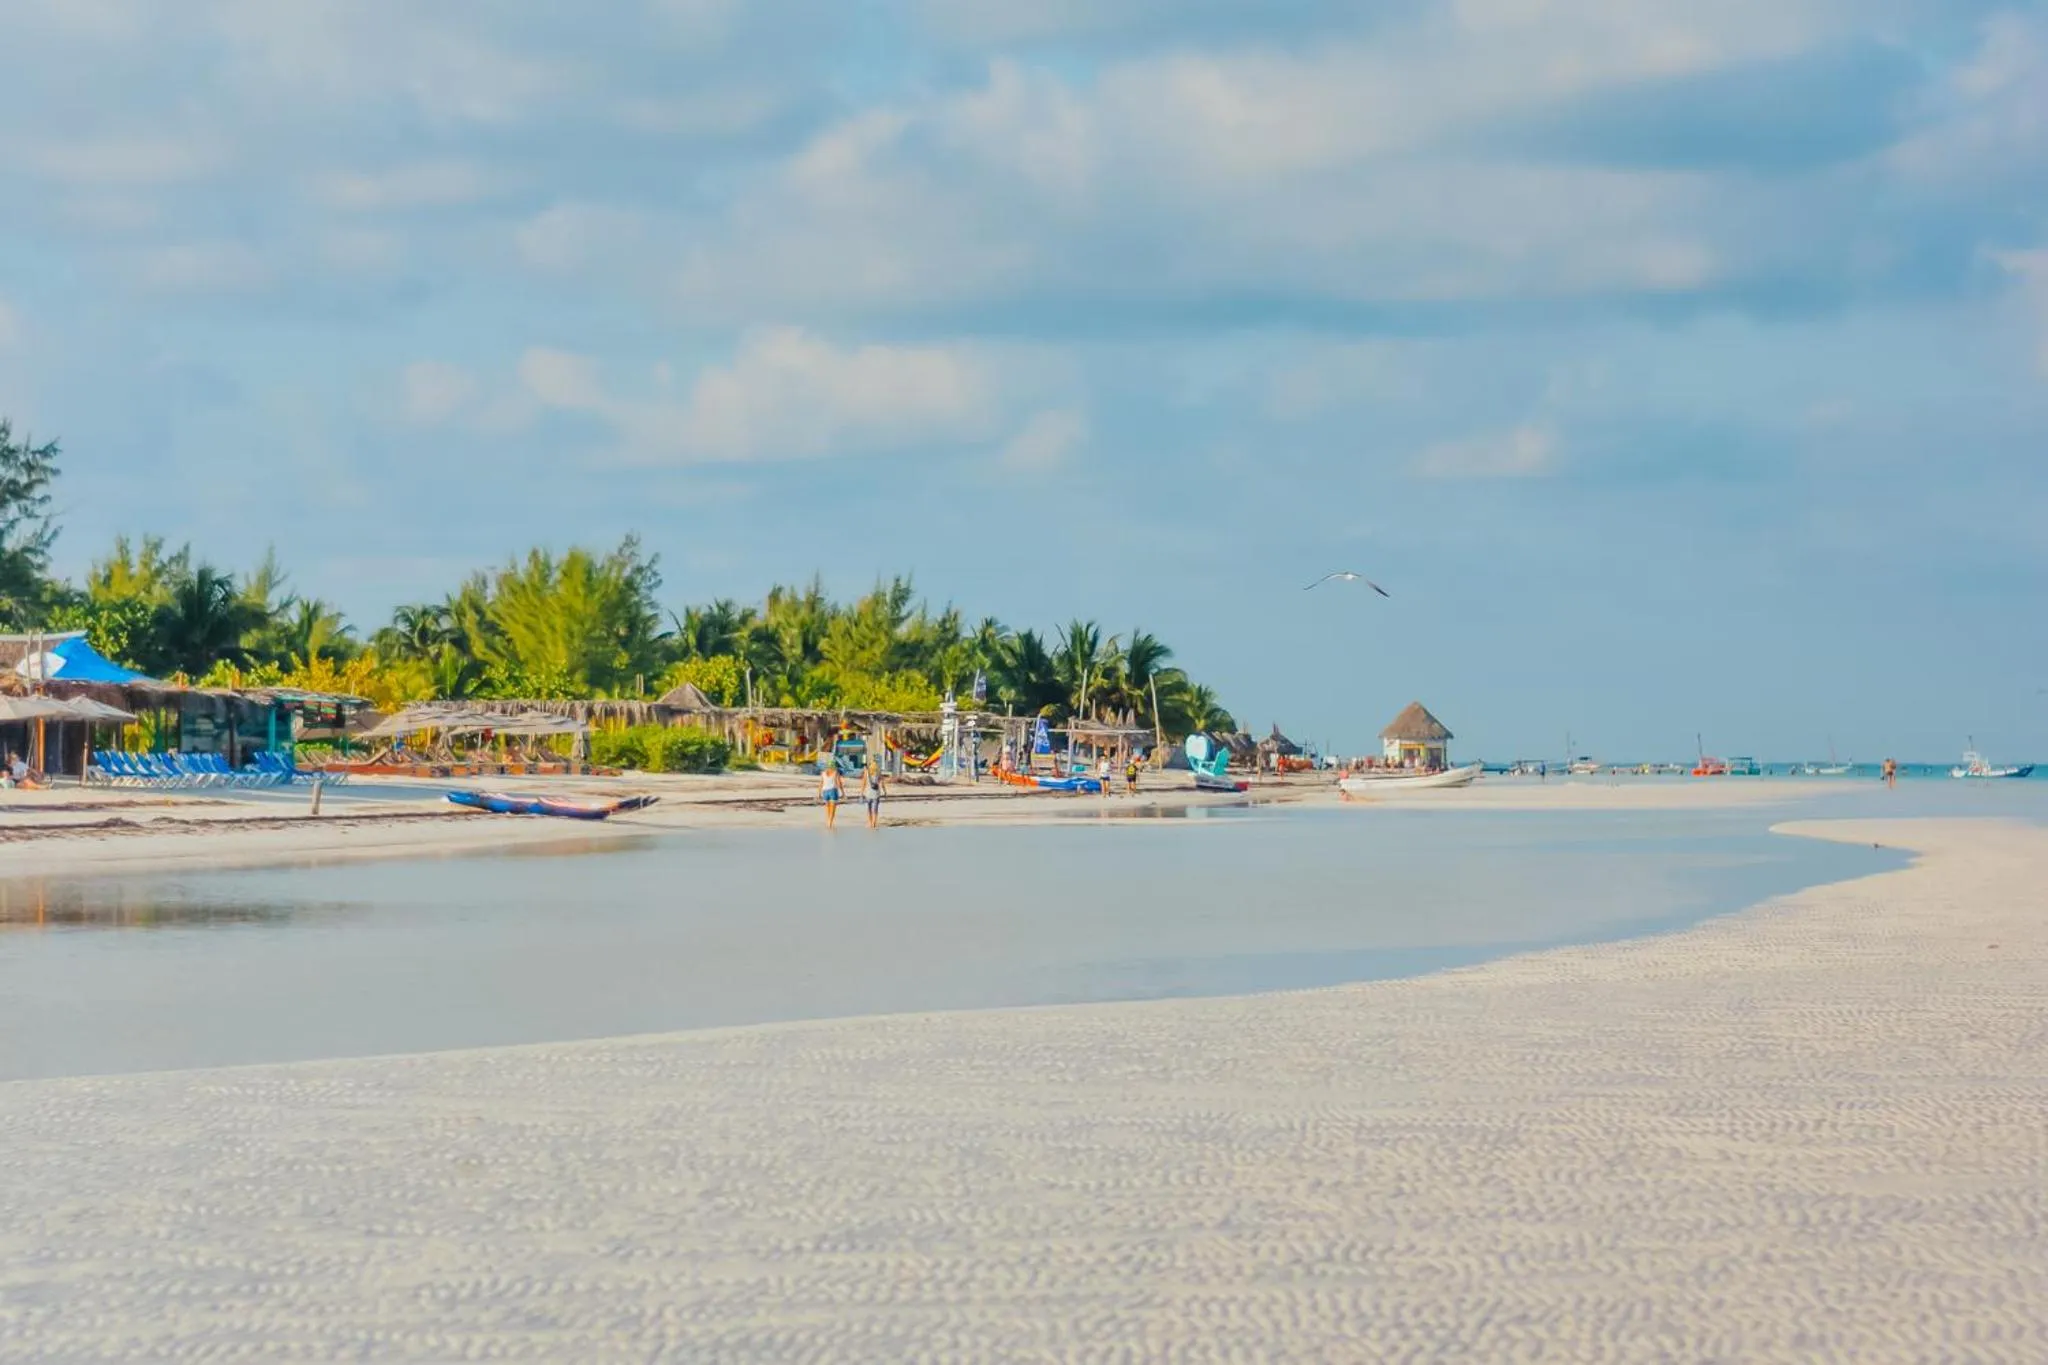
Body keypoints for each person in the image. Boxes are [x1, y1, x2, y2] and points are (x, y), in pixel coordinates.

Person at [818, 754, 843, 828]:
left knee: (827, 808)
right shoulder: (835, 772)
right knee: (833, 809)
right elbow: (839, 783)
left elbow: (821, 784)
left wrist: (819, 793)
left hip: (825, 792)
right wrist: (843, 793)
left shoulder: (823, 773)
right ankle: (830, 823)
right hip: (833, 791)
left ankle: (828, 821)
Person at [862, 759, 886, 829]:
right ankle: (873, 823)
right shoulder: (878, 772)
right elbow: (882, 783)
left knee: (869, 809)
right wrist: (885, 791)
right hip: (876, 794)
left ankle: (870, 822)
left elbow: (863, 783)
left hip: (868, 793)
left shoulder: (866, 773)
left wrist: (861, 793)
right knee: (875, 809)